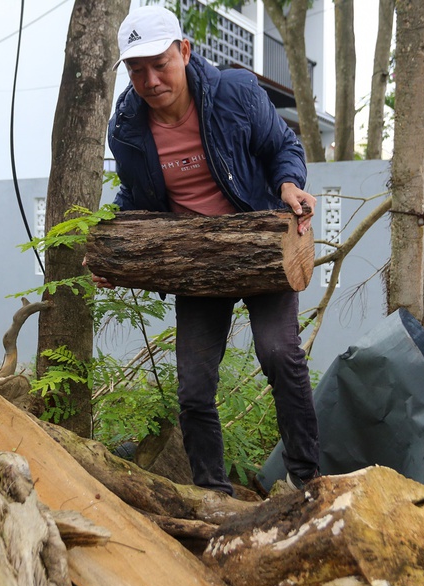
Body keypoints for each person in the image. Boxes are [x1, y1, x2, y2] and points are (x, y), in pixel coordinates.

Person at [92, 5, 320, 495]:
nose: (150, 80)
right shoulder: (128, 127)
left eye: (160, 64)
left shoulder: (234, 94)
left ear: (185, 51)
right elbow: (136, 194)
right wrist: (114, 247)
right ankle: (210, 495)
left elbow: (285, 146)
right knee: (194, 388)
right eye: (136, 70)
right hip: (199, 265)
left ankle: (306, 482)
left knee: (279, 353)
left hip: (261, 251)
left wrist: (287, 185)